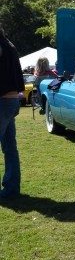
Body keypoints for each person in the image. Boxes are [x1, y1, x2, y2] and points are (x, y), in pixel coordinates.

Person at [0, 23, 24, 199]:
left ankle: (11, 187)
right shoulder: (8, 44)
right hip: (12, 100)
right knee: (10, 148)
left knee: (10, 148)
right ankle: (12, 188)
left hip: (3, 101)